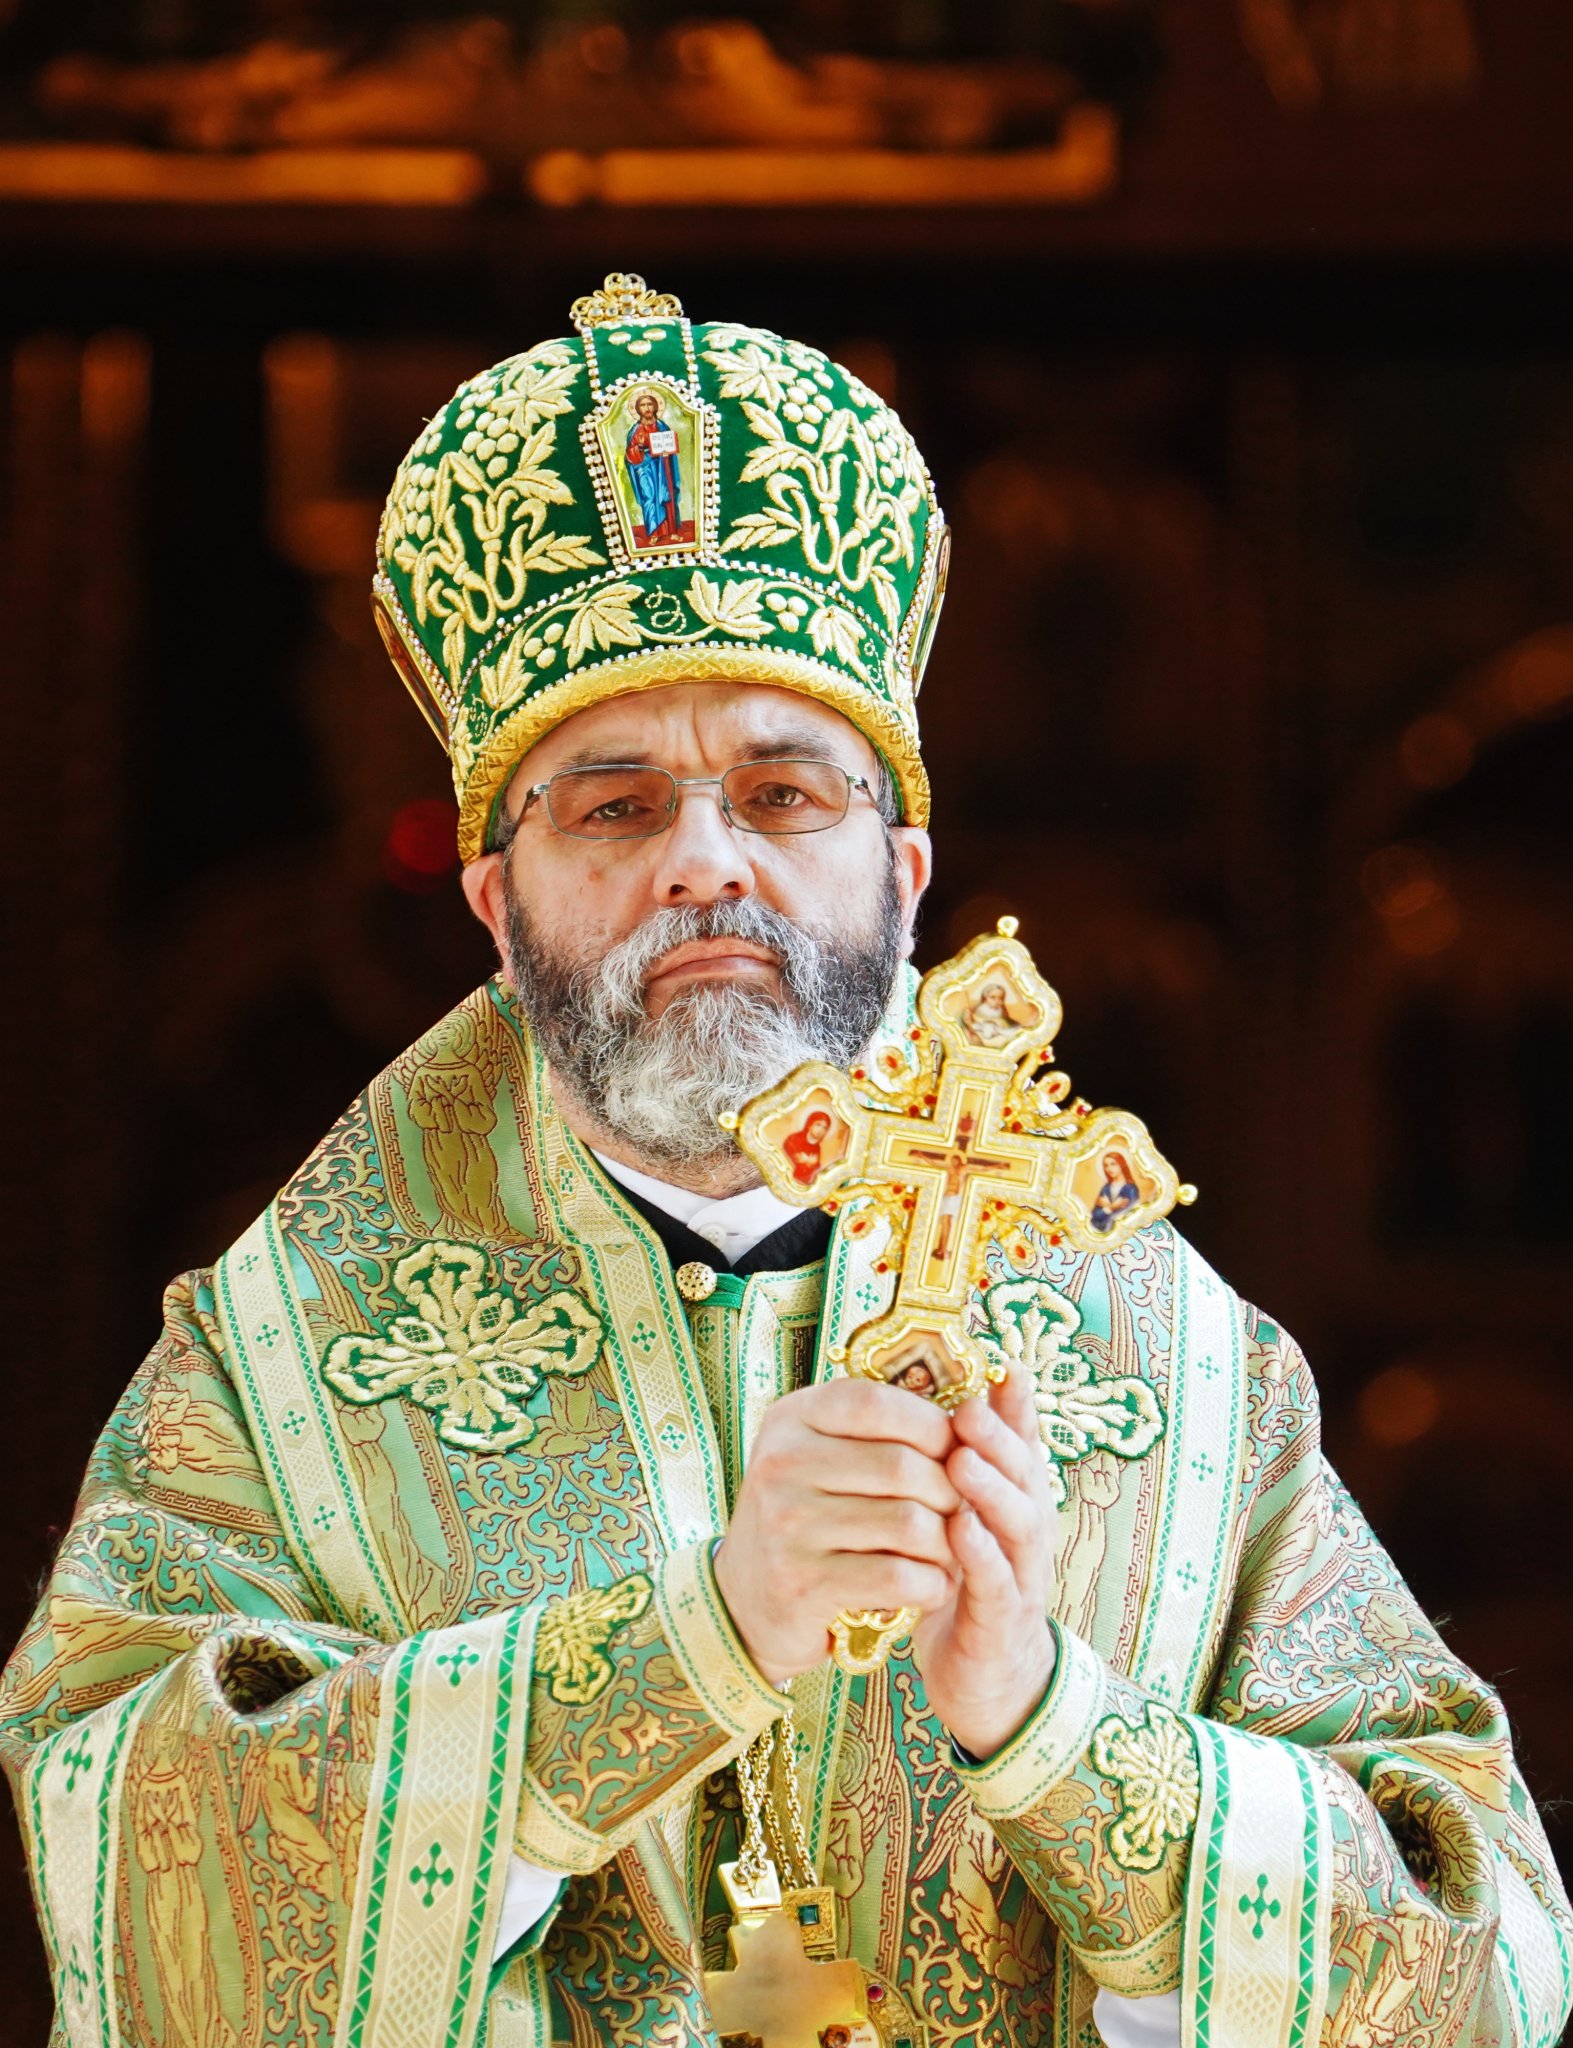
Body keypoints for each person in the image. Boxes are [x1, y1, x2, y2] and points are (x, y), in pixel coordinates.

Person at [3, 273, 1568, 2048]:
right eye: (609, 803)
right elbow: (136, 1890)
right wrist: (689, 1643)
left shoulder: (1184, 1375)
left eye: (782, 792)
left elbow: (1474, 1972)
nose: (703, 863)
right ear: (496, 904)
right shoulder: (284, 1366)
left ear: (901, 874)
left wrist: (1054, 1727)